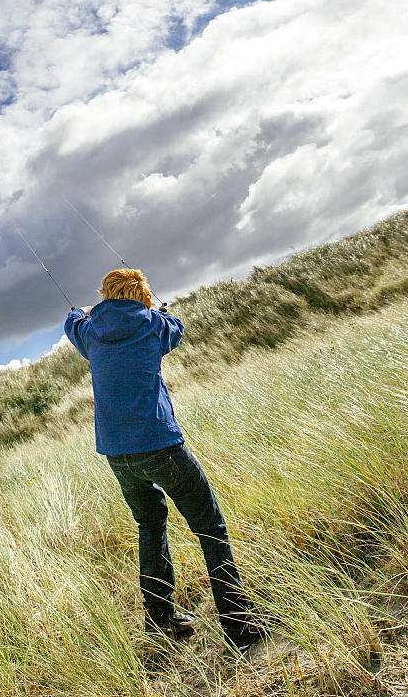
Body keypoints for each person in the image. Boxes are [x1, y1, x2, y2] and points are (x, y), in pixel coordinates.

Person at [64, 267, 266, 655]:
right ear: (142, 297)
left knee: (150, 525)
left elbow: (71, 319)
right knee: (210, 527)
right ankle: (240, 627)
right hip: (160, 445)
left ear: (105, 295)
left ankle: (160, 622)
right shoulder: (154, 325)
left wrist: (90, 311)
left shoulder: (89, 334)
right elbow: (177, 326)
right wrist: (152, 306)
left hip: (118, 454)